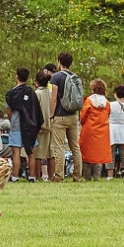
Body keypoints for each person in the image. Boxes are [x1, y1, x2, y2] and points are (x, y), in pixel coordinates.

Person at [44, 53, 83, 182]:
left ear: (59, 62)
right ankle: (77, 176)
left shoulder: (56, 77)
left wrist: (51, 115)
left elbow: (54, 98)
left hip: (60, 117)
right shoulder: (75, 76)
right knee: (75, 147)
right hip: (72, 116)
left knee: (59, 147)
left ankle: (59, 177)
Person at [6, 67, 42, 181]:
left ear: (16, 77)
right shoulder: (31, 92)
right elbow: (35, 110)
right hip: (30, 126)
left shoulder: (11, 93)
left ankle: (15, 176)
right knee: (30, 152)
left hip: (16, 125)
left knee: (16, 152)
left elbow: (9, 111)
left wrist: (12, 121)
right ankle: (32, 176)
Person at [75, 80, 110, 180]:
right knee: (99, 154)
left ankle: (87, 176)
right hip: (102, 131)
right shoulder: (106, 103)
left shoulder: (89, 101)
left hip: (89, 130)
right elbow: (108, 115)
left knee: (86, 153)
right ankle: (97, 177)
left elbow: (82, 116)